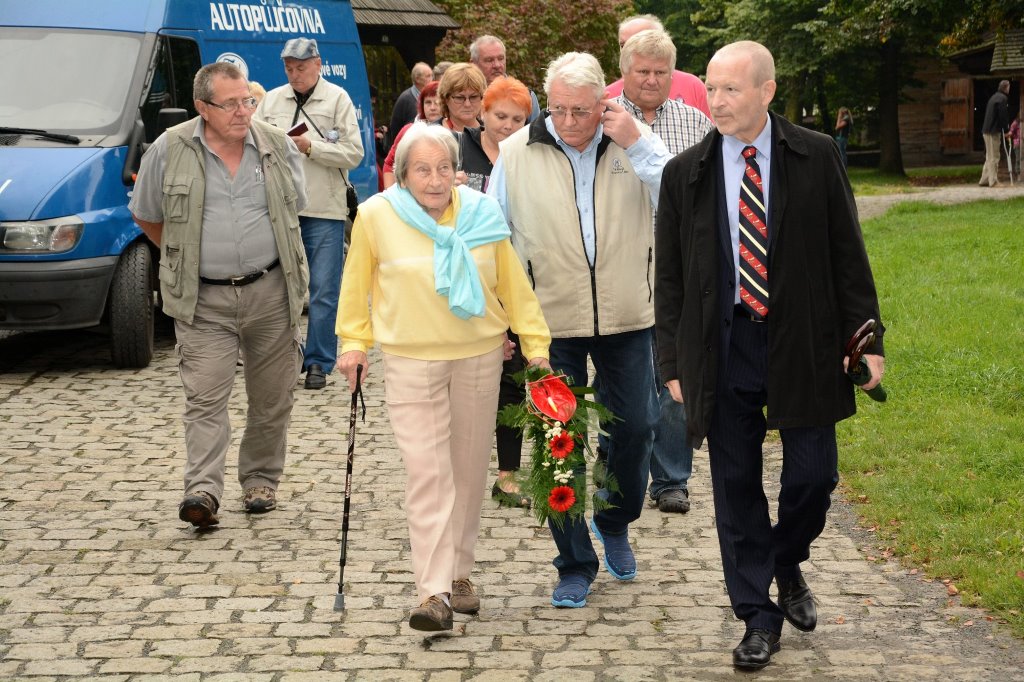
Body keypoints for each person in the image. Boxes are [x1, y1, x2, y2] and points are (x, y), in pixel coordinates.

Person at [654, 41, 885, 670]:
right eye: (711, 88)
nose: (717, 101)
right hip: (722, 346)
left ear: (767, 91)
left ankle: (785, 559)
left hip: (802, 342)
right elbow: (669, 278)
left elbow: (847, 253)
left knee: (813, 476)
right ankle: (758, 616)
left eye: (731, 89)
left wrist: (868, 340)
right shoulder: (686, 173)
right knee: (735, 487)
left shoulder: (815, 155)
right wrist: (671, 361)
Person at [335, 123, 551, 631]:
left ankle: (459, 573)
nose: (434, 179)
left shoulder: (482, 212)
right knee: (428, 474)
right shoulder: (377, 215)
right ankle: (433, 593)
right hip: (411, 358)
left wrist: (536, 346)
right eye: (422, 169)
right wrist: (353, 342)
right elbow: (355, 284)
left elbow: (513, 286)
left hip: (479, 355)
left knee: (469, 471)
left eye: (443, 168)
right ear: (402, 173)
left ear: (457, 170)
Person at [488, 51, 670, 609]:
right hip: (549, 324)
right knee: (557, 442)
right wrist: (503, 319)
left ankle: (613, 518)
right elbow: (494, 240)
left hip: (628, 314)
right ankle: (573, 563)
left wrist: (637, 143)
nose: (569, 121)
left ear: (604, 102)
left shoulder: (633, 142)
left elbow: (679, 195)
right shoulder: (517, 154)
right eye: (559, 109)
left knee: (638, 426)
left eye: (582, 111)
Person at [129, 62, 309, 527]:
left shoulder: (276, 145)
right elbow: (146, 214)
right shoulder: (169, 148)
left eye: (247, 100)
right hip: (203, 301)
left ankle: (260, 480)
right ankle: (203, 491)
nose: (243, 111)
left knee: (272, 398)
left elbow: (296, 208)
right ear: (202, 107)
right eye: (230, 104)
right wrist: (186, 256)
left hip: (271, 292)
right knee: (205, 398)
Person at [610, 28, 714, 515]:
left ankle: (672, 477)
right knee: (626, 374)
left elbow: (705, 186)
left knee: (677, 373)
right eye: (642, 71)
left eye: (661, 71)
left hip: (681, 261)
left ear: (674, 74)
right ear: (623, 72)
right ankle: (620, 465)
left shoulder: (697, 122)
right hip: (621, 262)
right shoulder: (603, 119)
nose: (651, 80)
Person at [254, 38, 364, 391]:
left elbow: (354, 153)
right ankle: (285, 357)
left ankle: (318, 361)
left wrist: (311, 147)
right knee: (279, 289)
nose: (294, 74)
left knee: (323, 290)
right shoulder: (272, 100)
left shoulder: (337, 99)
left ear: (318, 64)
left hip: (324, 209)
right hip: (281, 209)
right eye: (289, 68)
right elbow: (251, 143)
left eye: (301, 67)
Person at [452, 76, 533, 507]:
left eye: (518, 119)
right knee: (462, 381)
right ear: (482, 113)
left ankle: (508, 475)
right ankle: (455, 472)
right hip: (463, 281)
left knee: (512, 378)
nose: (507, 125)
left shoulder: (528, 155)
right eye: (500, 116)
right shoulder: (454, 149)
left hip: (513, 278)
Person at [605, 14, 711, 118]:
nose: (629, 49)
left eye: (642, 41)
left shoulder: (693, 87)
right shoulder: (607, 96)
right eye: (623, 45)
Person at [381, 80, 442, 188]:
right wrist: (390, 194)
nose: (432, 107)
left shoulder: (455, 131)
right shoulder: (408, 130)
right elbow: (389, 164)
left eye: (438, 102)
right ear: (422, 105)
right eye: (428, 102)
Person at [469, 35, 541, 121]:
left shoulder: (526, 96)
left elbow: (536, 129)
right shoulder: (463, 97)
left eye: (501, 58)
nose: (497, 65)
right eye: (489, 60)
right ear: (474, 64)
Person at [387, 61, 432, 152]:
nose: (432, 79)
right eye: (428, 76)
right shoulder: (407, 99)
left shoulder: (425, 96)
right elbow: (400, 131)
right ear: (417, 79)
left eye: (432, 75)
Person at [438, 63, 487, 133]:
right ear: (446, 99)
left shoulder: (493, 133)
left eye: (473, 97)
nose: (467, 104)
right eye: (460, 98)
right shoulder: (430, 135)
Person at [979, 80, 1010, 187]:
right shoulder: (1003, 98)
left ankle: (984, 179)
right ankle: (993, 181)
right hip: (993, 131)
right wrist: (1006, 130)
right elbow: (1003, 116)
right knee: (994, 156)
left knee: (989, 156)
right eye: (1008, 87)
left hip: (986, 130)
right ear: (1006, 87)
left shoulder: (994, 97)